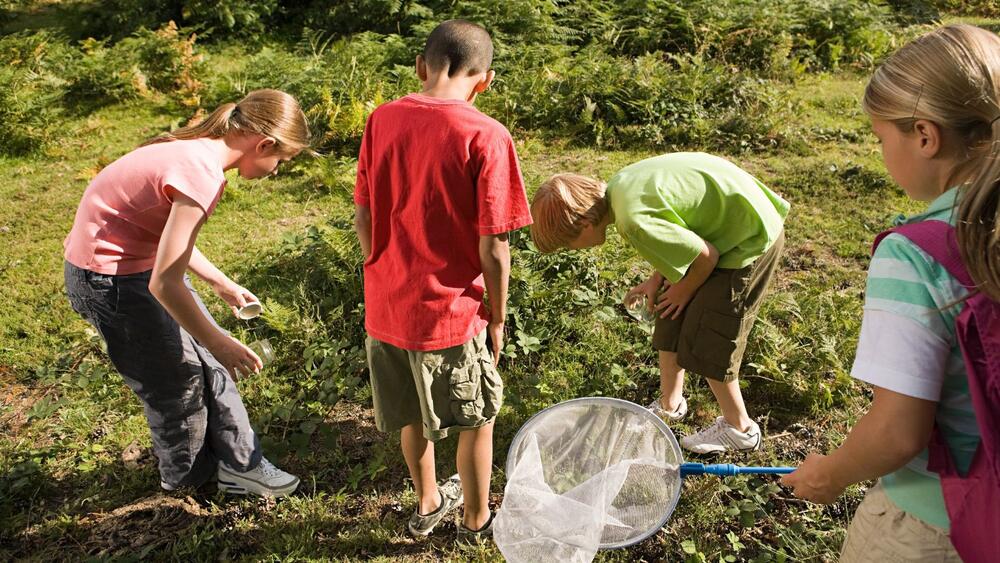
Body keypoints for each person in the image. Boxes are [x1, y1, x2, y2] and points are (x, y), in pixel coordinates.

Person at [781, 24, 1000, 562]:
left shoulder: (916, 253)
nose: (882, 153)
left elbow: (898, 432)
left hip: (939, 521)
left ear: (925, 135)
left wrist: (829, 473)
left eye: (881, 138)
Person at [64, 89, 309, 497]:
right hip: (111, 282)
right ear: (263, 144)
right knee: (177, 388)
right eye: (281, 160)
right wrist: (219, 340)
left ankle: (240, 464)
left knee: (208, 362)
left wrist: (221, 283)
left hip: (135, 267)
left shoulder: (192, 150)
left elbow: (165, 238)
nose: (277, 170)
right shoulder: (202, 174)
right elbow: (165, 282)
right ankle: (186, 489)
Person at [352, 20, 531, 543]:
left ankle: (428, 501)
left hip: (387, 302)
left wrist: (383, 266)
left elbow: (363, 213)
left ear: (420, 67)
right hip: (450, 312)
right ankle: (477, 520)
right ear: (486, 80)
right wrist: (497, 317)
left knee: (412, 413)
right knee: (478, 420)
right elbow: (494, 247)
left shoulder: (382, 118)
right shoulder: (487, 135)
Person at [530, 152, 788, 453]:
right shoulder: (620, 189)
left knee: (711, 335)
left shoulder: (633, 222)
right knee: (669, 310)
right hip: (727, 225)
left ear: (586, 223)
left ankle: (740, 429)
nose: (571, 250)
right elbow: (678, 232)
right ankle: (671, 403)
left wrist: (685, 290)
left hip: (749, 239)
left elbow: (706, 257)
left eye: (567, 244)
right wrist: (658, 280)